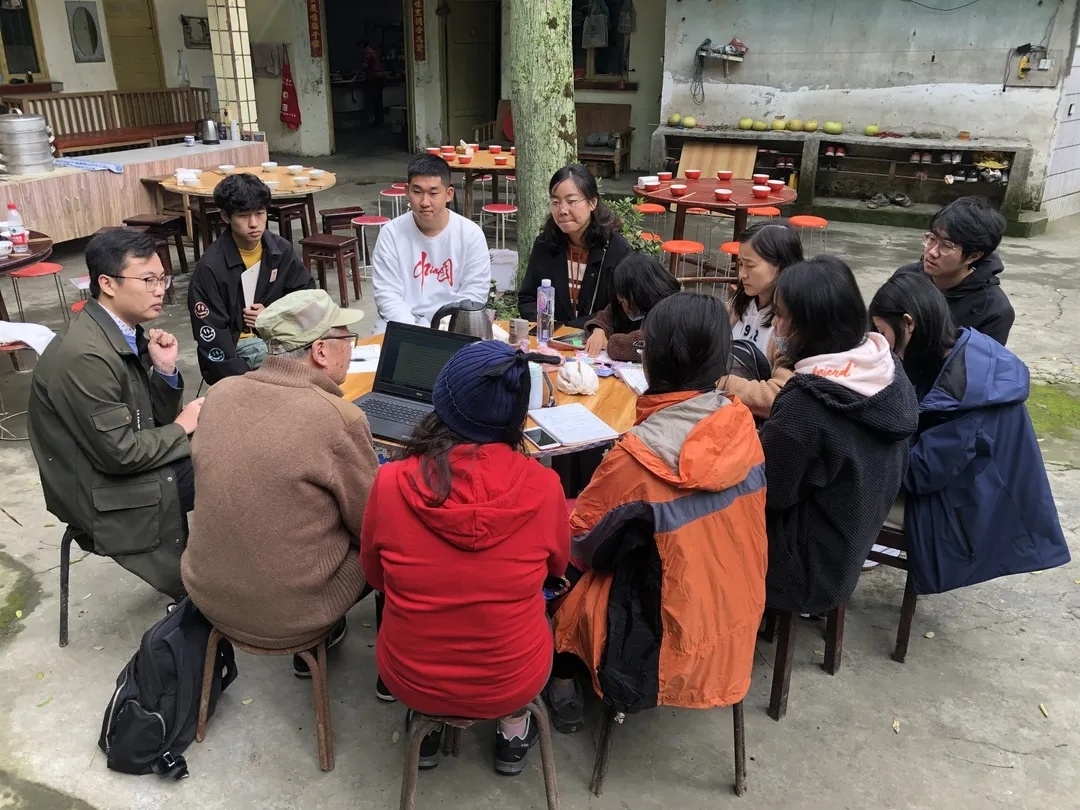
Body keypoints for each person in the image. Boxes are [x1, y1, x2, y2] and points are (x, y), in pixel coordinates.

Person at [548, 292, 768, 733]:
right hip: (736, 620)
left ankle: (561, 673)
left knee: (554, 556)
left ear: (651, 361)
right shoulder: (741, 424)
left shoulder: (638, 457)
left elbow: (583, 545)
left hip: (659, 648)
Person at [361, 340, 568, 775]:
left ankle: (429, 730)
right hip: (513, 680)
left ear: (441, 403)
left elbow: (376, 577)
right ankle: (513, 732)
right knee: (538, 609)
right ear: (516, 416)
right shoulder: (545, 487)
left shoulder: (390, 482)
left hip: (411, 678)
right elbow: (556, 571)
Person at [182, 290, 381, 676]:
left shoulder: (220, 393)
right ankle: (388, 672)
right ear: (320, 351)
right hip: (295, 613)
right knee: (390, 541)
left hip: (205, 591)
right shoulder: (337, 418)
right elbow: (371, 525)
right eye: (346, 338)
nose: (350, 348)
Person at [869, 273, 1070, 594]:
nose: (883, 345)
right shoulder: (963, 348)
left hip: (966, 511)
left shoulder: (967, 391)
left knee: (840, 489)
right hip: (966, 487)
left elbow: (919, 474)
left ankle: (821, 590)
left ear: (908, 324)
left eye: (882, 333)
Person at [28, 230, 203, 598]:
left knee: (228, 447)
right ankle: (212, 587)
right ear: (107, 283)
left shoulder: (122, 333)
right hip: (98, 490)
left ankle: (218, 576)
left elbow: (146, 422)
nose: (160, 290)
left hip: (115, 466)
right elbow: (121, 454)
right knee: (230, 469)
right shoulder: (86, 355)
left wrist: (164, 371)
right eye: (148, 280)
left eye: (162, 278)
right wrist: (182, 427)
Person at [760, 256, 918, 616]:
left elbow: (767, 494)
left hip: (799, 570)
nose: (775, 325)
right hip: (850, 547)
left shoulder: (807, 405)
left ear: (808, 326)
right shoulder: (886, 368)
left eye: (781, 316)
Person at [187, 172, 315, 385]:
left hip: (281, 336)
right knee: (293, 369)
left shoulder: (280, 250)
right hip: (238, 348)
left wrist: (272, 315)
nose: (254, 223)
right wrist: (241, 382)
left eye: (260, 213)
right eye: (243, 216)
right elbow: (211, 333)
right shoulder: (210, 267)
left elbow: (307, 296)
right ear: (226, 216)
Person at [370, 154, 491, 334]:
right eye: (417, 192)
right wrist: (416, 332)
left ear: (449, 194)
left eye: (433, 193)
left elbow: (474, 292)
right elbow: (387, 295)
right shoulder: (391, 234)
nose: (424, 202)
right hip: (402, 324)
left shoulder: (470, 234)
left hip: (454, 325)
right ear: (407, 191)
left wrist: (444, 329)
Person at [518, 164, 633, 327]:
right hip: (550, 337)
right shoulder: (545, 244)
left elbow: (623, 309)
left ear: (592, 202)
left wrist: (589, 328)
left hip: (594, 339)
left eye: (571, 201)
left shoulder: (616, 249)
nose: (562, 210)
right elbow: (528, 299)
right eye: (555, 202)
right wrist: (549, 327)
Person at [892, 196, 1014, 345]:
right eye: (932, 238)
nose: (932, 252)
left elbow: (982, 359)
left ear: (973, 256)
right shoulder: (905, 279)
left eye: (947, 245)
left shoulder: (994, 310)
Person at [717, 221, 805, 420]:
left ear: (781, 267)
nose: (742, 274)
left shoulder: (790, 324)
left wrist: (719, 382)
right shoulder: (741, 304)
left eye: (750, 265)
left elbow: (779, 394)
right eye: (740, 264)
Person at [583, 252, 680, 360]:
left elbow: (648, 342)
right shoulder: (624, 305)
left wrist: (612, 344)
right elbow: (608, 315)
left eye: (623, 300)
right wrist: (599, 330)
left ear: (640, 293)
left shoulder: (670, 310)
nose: (624, 307)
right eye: (620, 301)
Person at [358, 39, 385, 127]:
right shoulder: (373, 51)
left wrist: (357, 72)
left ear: (361, 45)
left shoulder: (367, 52)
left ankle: (378, 120)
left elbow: (365, 64)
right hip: (380, 77)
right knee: (379, 100)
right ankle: (381, 119)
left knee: (375, 99)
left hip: (374, 78)